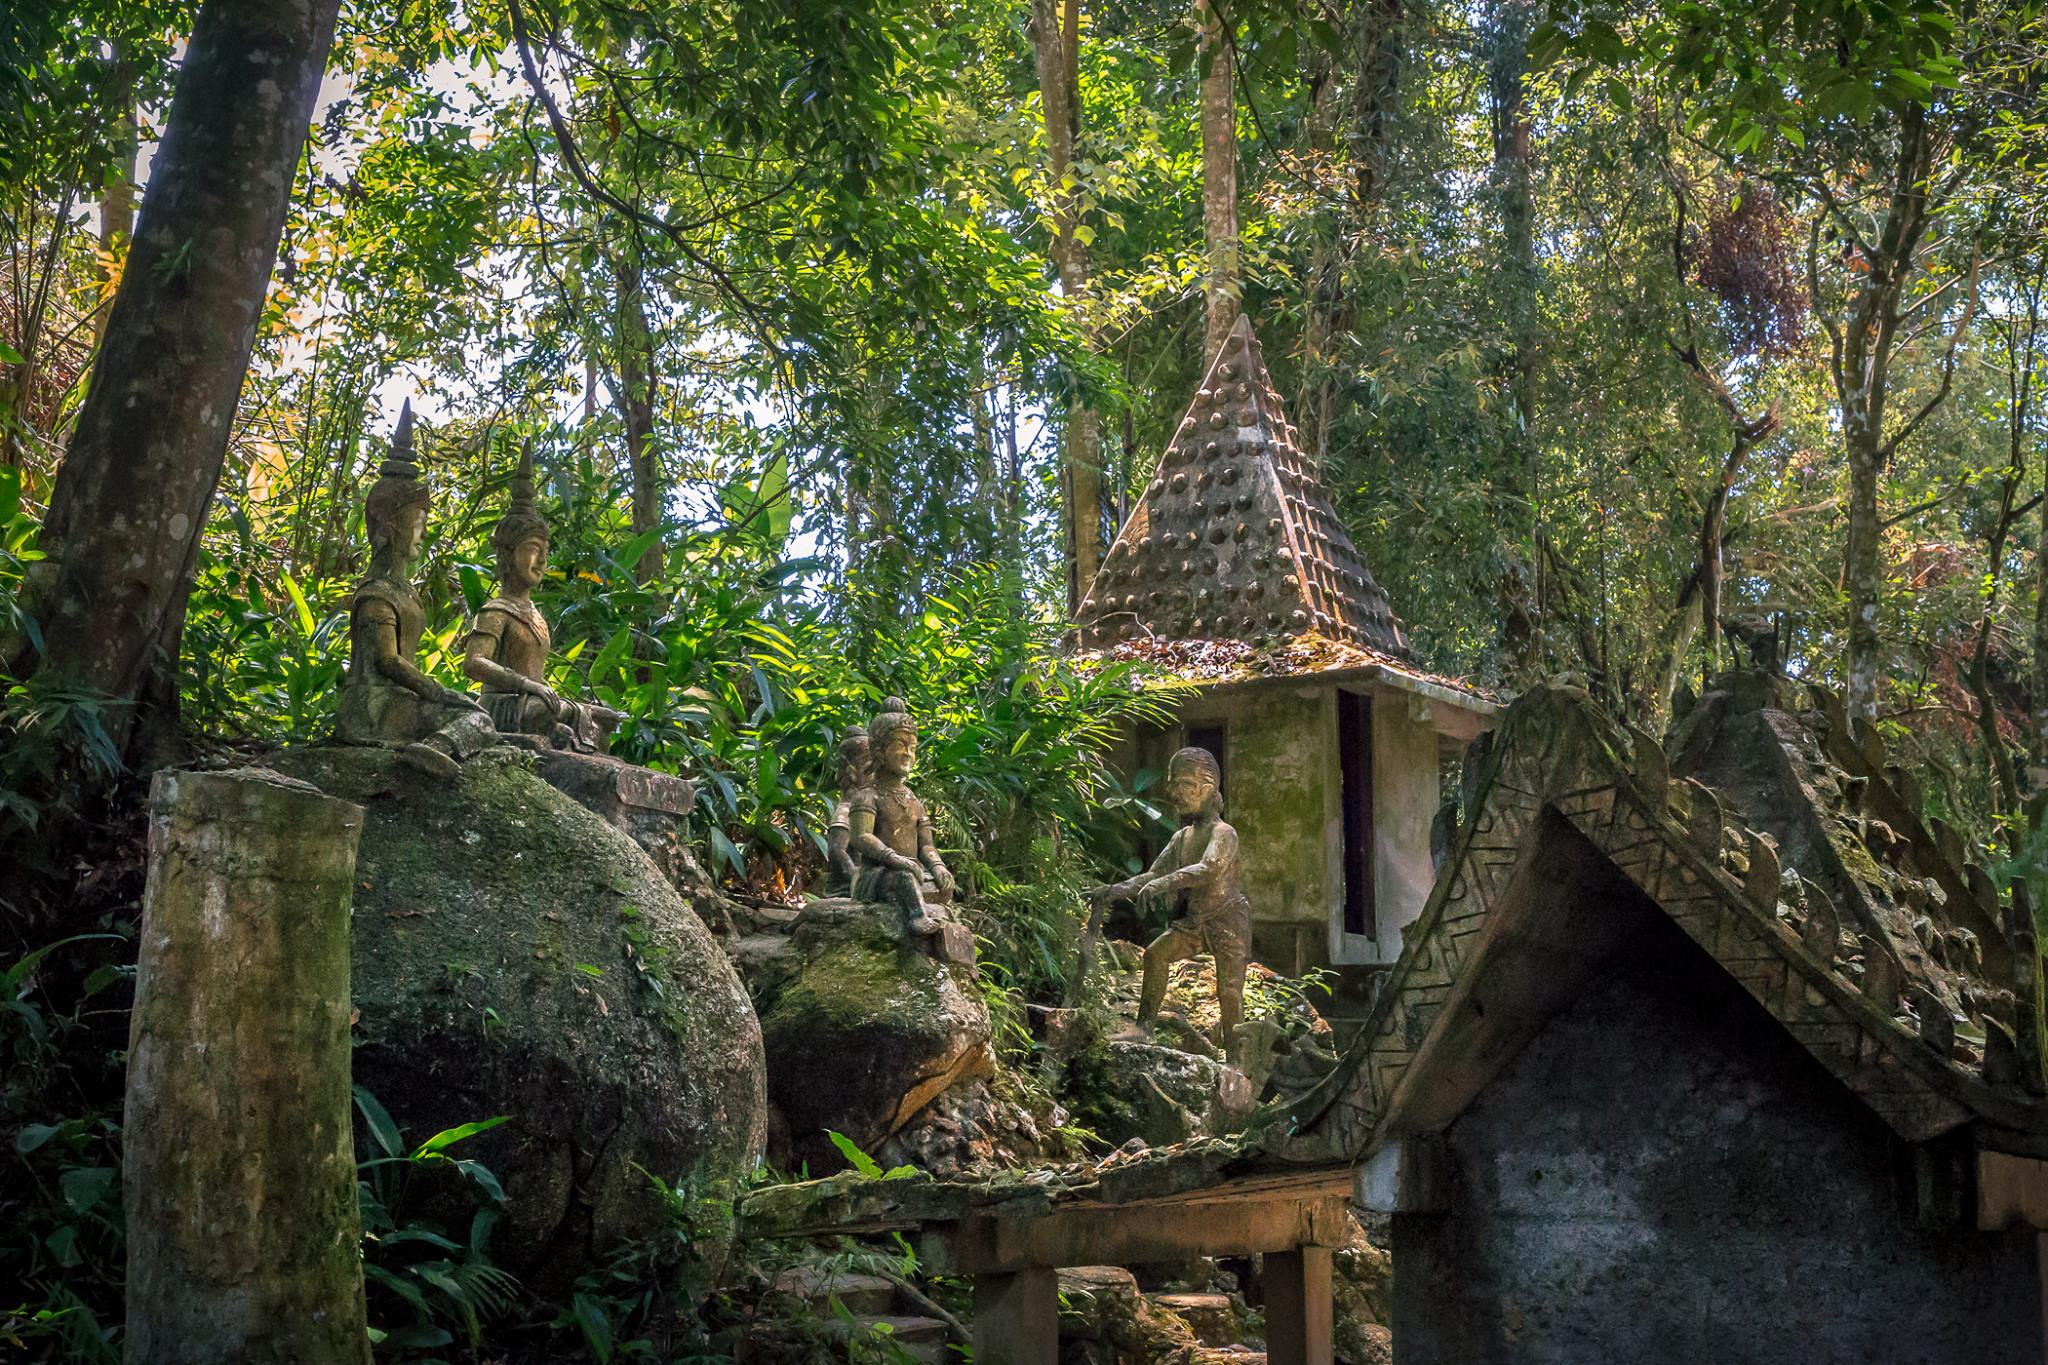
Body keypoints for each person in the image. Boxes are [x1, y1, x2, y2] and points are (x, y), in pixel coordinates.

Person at [335, 403, 495, 777]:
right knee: (478, 721)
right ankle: (434, 749)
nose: (423, 533)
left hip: (397, 701)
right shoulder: (377, 592)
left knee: (478, 716)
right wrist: (434, 690)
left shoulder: (401, 589)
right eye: (418, 522)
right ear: (391, 526)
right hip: (373, 708)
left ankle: (438, 746)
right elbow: (386, 660)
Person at [1089, 746, 1252, 1060]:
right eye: (1173, 785)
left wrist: (1165, 882)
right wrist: (1110, 891)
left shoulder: (1224, 833)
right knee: (1155, 955)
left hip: (1229, 921)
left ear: (1207, 789)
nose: (1174, 793)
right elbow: (1149, 876)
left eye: (1184, 786)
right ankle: (1144, 1028)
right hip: (1195, 921)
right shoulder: (1182, 837)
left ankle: (1236, 1060)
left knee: (1229, 992)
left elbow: (1209, 869)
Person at [463, 445, 624, 752]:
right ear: (509, 555)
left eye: (545, 553)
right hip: (503, 705)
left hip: (535, 701)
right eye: (533, 550)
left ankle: (562, 730)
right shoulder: (496, 612)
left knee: (601, 719)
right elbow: (474, 663)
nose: (541, 562)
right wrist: (525, 684)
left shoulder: (535, 615)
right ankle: (555, 729)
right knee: (548, 710)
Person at [849, 697, 954, 934]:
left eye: (913, 747)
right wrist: (894, 858)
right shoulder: (867, 795)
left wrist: (938, 867)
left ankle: (927, 904)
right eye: (900, 744)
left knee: (939, 884)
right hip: (878, 875)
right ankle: (917, 918)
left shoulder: (914, 801)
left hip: (911, 870)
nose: (908, 753)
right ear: (880, 751)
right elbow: (861, 836)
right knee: (905, 878)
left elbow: (926, 845)